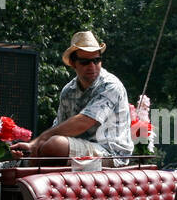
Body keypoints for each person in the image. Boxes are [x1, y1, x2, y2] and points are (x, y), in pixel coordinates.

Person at [12, 30, 133, 164]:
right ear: (73, 63)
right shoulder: (68, 91)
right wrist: (31, 147)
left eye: (96, 60)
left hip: (111, 153)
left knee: (54, 145)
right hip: (81, 147)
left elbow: (83, 122)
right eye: (85, 62)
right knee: (38, 149)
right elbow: (58, 126)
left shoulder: (110, 86)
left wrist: (40, 140)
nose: (92, 66)